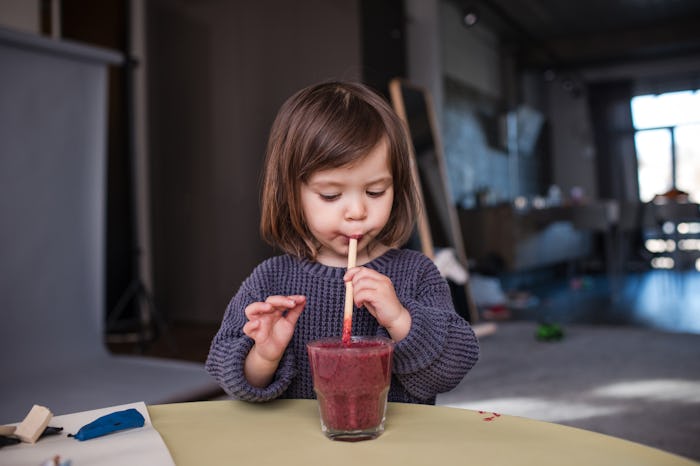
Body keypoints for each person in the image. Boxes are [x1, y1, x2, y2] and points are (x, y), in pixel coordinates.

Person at [206, 81, 479, 405]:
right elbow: (228, 377)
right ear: (291, 193)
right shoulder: (270, 280)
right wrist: (265, 356)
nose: (357, 212)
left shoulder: (417, 274)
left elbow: (453, 369)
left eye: (376, 191)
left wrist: (400, 320)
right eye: (331, 195)